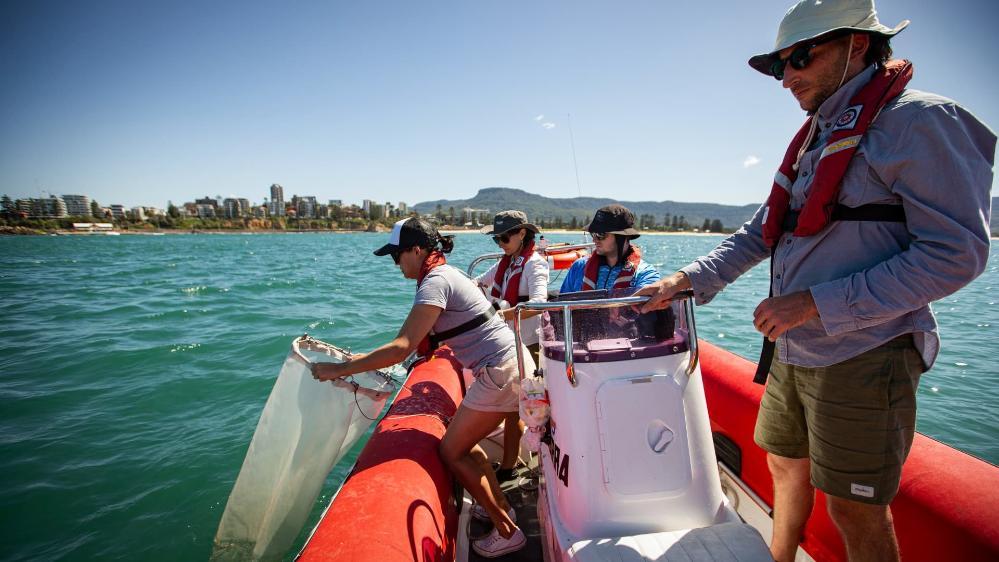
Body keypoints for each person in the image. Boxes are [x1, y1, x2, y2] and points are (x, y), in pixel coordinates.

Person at [635, 1, 995, 561]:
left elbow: (955, 255)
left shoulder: (921, 121)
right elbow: (761, 233)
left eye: (800, 58)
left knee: (854, 507)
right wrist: (684, 278)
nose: (788, 78)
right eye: (780, 67)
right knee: (782, 460)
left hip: (865, 351)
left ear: (858, 44)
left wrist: (815, 303)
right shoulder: (816, 138)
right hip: (795, 350)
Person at [311, 217, 533, 558]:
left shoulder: (434, 283)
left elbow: (402, 346)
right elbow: (410, 343)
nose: (395, 263)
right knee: (466, 444)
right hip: (512, 366)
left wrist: (340, 369)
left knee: (451, 451)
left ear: (417, 250)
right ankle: (502, 507)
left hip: (500, 373)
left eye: (397, 255)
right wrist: (359, 358)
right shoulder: (447, 273)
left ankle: (507, 531)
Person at [476, 210, 549, 483]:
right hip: (508, 344)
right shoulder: (506, 264)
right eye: (497, 239)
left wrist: (502, 315)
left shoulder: (535, 264)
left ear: (521, 233)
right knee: (511, 408)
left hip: (528, 346)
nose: (501, 243)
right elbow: (478, 283)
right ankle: (510, 465)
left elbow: (539, 302)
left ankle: (511, 468)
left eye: (505, 237)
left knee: (515, 409)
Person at [559, 204, 661, 295]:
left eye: (600, 234)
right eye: (593, 234)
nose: (594, 239)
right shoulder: (579, 267)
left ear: (623, 237)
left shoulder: (646, 274)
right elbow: (561, 308)